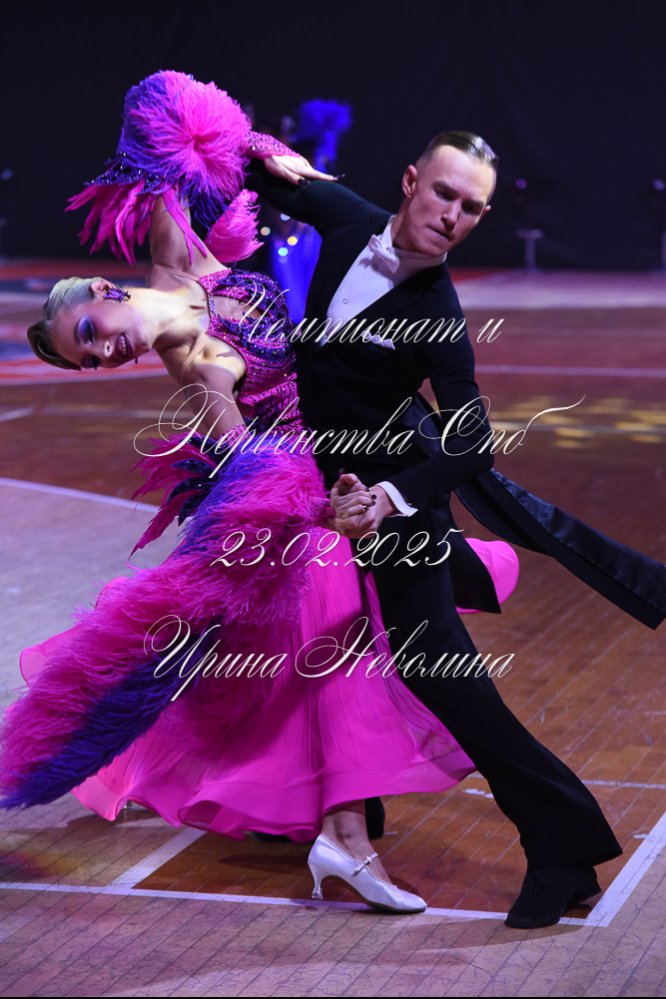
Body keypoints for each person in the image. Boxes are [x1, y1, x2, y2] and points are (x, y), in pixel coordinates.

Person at [0, 72, 520, 916]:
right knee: (338, 650)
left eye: (88, 333)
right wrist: (320, 503)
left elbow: (159, 110)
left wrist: (257, 148)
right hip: (315, 492)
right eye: (87, 360)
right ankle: (344, 839)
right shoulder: (201, 373)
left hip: (357, 440)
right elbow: (253, 468)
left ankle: (340, 832)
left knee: (346, 655)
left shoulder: (177, 258)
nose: (102, 353)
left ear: (101, 290)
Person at [246, 132, 666, 928]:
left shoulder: (437, 309)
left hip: (400, 506)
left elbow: (471, 443)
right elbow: (240, 163)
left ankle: (563, 845)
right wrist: (226, 146)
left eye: (472, 208)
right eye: (444, 193)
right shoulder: (344, 216)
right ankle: (345, 808)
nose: (453, 216)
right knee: (320, 639)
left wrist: (389, 498)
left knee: (439, 673)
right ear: (411, 182)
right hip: (318, 487)